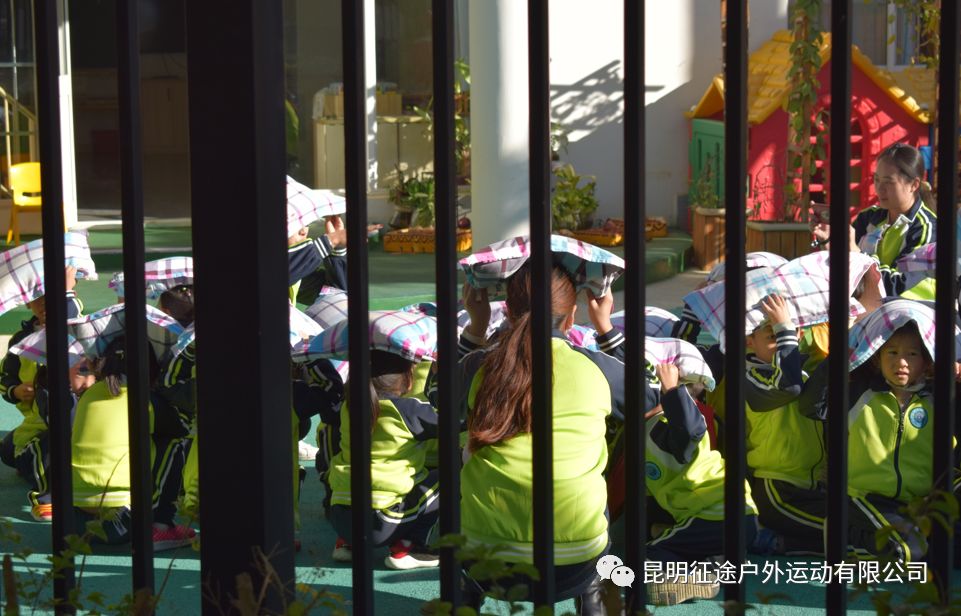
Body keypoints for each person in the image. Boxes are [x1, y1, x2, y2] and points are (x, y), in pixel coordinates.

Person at [439, 262, 628, 614]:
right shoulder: (598, 367)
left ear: (508, 312)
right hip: (574, 565)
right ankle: (592, 600)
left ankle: (465, 596)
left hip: (485, 564)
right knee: (593, 477)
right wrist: (605, 328)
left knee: (463, 461)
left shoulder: (479, 364)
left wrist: (475, 328)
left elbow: (437, 396)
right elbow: (652, 395)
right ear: (572, 317)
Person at [322, 348, 442, 571]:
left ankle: (347, 543)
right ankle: (408, 547)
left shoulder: (349, 407)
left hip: (339, 515)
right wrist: (436, 379)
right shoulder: (408, 410)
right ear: (408, 379)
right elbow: (457, 421)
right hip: (382, 521)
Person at [71, 337, 195, 549]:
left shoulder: (89, 395)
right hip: (120, 523)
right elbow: (181, 429)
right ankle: (161, 525)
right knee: (172, 444)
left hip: (74, 521)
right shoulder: (144, 400)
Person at [742, 294, 826, 555]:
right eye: (772, 336)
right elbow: (787, 387)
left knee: (855, 526)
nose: (781, 341)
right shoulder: (749, 377)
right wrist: (784, 328)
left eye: (789, 333)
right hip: (777, 490)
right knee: (848, 533)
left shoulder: (803, 372)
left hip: (812, 486)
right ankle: (769, 540)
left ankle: (780, 540)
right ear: (749, 341)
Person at [811, 143, 936, 296]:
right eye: (876, 180)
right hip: (865, 304)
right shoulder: (868, 217)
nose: (879, 189)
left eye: (888, 182)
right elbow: (842, 270)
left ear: (914, 185)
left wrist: (858, 254)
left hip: (908, 308)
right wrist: (828, 242)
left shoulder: (926, 228)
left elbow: (896, 285)